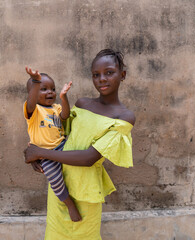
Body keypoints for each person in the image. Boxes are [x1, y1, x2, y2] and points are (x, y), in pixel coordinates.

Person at [24, 49, 135, 240]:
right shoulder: (82, 104)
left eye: (109, 72)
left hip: (86, 190)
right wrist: (34, 152)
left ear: (122, 75)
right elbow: (57, 134)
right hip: (60, 184)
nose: (102, 79)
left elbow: (89, 158)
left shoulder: (124, 117)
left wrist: (40, 153)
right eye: (96, 75)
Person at [23, 66, 82, 222]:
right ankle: (69, 204)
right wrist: (35, 81)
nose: (50, 92)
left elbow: (66, 115)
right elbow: (30, 102)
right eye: (43, 89)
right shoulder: (34, 111)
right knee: (55, 180)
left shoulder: (55, 108)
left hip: (62, 146)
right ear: (33, 94)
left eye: (53, 89)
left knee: (78, 153)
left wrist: (63, 96)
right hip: (44, 154)